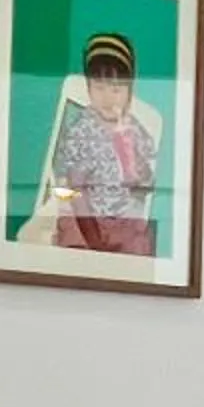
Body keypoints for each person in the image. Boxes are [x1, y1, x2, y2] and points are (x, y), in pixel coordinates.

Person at [46, 32, 158, 256]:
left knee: (140, 241)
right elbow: (74, 188)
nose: (108, 98)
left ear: (129, 91)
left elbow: (145, 183)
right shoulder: (81, 131)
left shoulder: (135, 131)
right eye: (99, 88)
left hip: (121, 217)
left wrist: (137, 167)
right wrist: (92, 234)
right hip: (83, 213)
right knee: (71, 233)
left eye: (116, 89)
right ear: (88, 87)